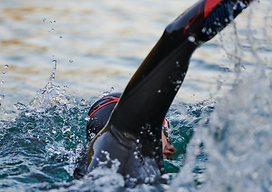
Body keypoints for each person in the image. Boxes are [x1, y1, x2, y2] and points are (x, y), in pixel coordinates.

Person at [74, 0, 254, 181]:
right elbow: (181, 35)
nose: (170, 146)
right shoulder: (128, 136)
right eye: (165, 133)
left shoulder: (83, 169)